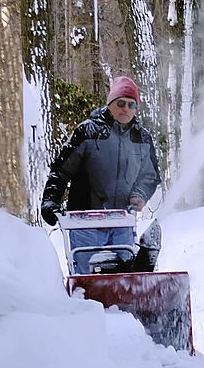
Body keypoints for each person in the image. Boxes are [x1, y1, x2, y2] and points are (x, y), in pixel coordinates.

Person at [41, 76, 161, 274]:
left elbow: (149, 175)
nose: (126, 109)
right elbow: (61, 171)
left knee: (124, 277)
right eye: (121, 103)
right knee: (87, 277)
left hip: (122, 220)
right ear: (110, 103)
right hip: (85, 221)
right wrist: (50, 201)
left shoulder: (142, 138)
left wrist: (140, 194)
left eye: (132, 105)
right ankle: (84, 304)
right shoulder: (87, 132)